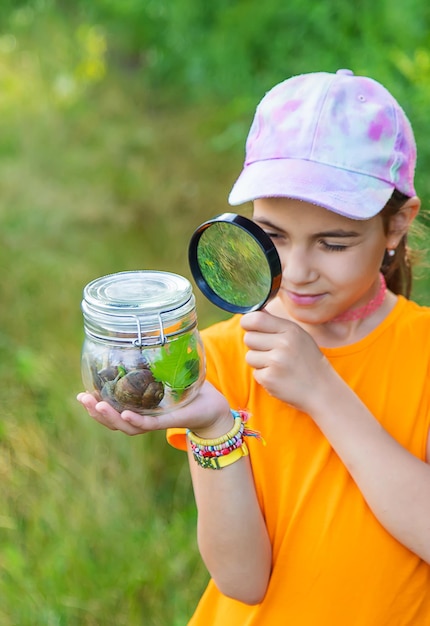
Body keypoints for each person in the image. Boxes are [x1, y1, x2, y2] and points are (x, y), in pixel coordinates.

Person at [77, 69, 430, 624]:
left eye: (333, 242)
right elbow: (241, 580)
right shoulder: (218, 359)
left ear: (396, 226)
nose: (297, 271)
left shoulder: (423, 352)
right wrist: (213, 426)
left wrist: (322, 391)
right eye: (274, 236)